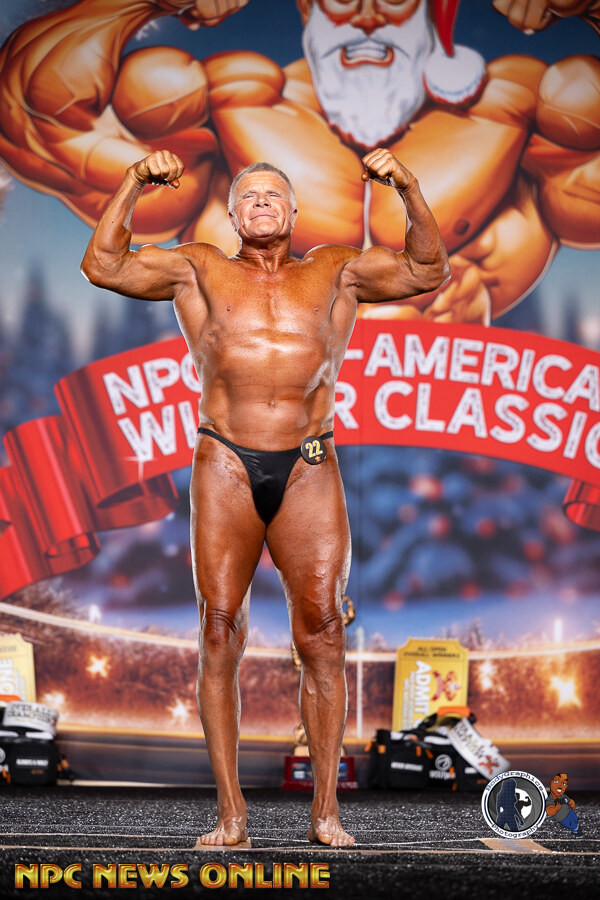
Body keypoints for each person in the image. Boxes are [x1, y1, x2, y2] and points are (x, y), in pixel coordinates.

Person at [81, 146, 449, 847]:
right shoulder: (198, 268)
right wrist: (132, 181)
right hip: (225, 459)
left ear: (293, 211)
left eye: (272, 194)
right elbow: (103, 265)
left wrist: (407, 185)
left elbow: (428, 269)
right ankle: (232, 816)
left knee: (325, 633)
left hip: (309, 462)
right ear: (231, 214)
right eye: (248, 195)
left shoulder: (336, 270)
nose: (260, 202)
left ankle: (326, 814)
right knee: (219, 628)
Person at [1, 0, 598, 326]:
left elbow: (422, 272)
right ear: (309, 9)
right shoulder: (229, 105)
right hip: (259, 416)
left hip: (460, 427)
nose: (367, 17)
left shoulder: (520, 112)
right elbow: (37, 122)